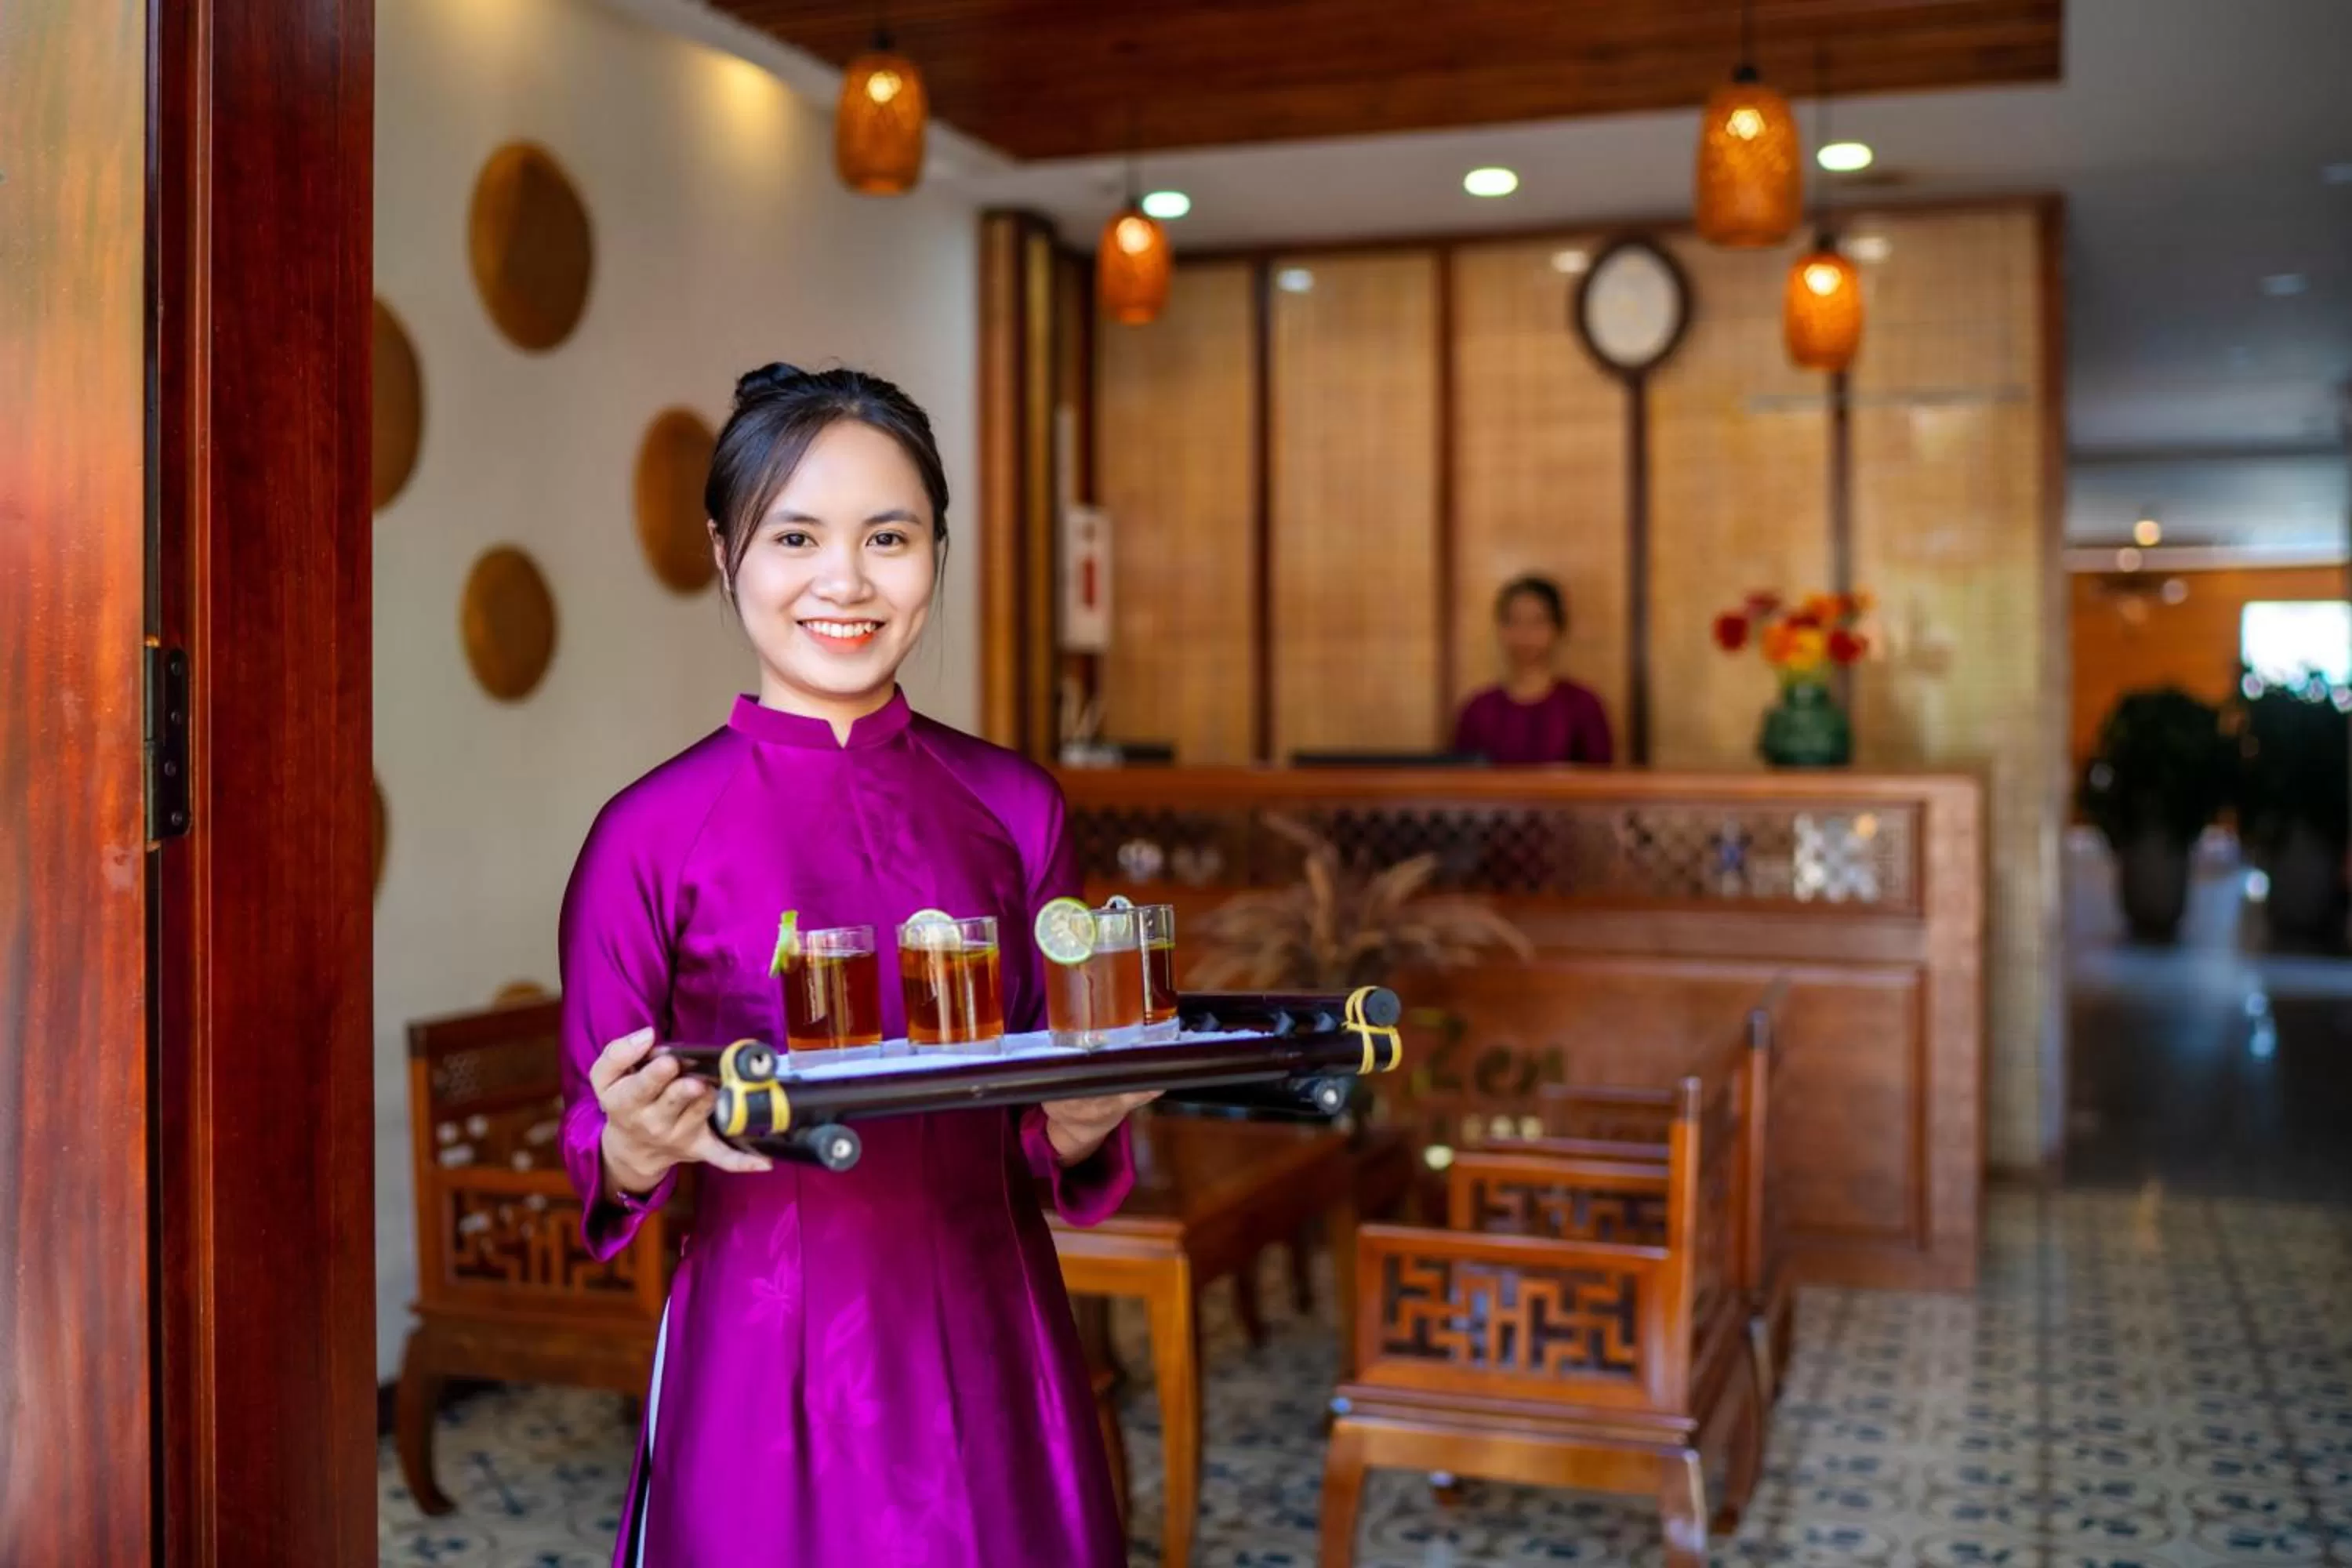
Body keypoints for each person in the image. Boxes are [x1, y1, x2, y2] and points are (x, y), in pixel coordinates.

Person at [557, 364, 1152, 1566]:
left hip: (993, 1334)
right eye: (795, 536)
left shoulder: (1015, 807)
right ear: (726, 556)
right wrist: (631, 1147)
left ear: (939, 550)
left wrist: (1084, 1123)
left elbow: (1041, 1114)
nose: (846, 580)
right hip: (759, 1353)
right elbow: (601, 1143)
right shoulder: (645, 834)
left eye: (890, 536)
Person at [1450, 574, 1616, 765]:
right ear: (1500, 629)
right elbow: (1461, 780)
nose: (1525, 634)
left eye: (1537, 622)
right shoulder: (1478, 709)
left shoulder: (1583, 705)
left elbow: (1601, 780)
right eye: (1514, 621)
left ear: (1558, 629)